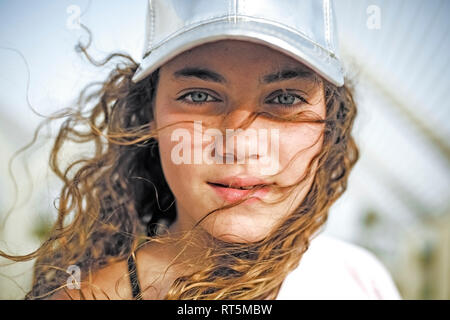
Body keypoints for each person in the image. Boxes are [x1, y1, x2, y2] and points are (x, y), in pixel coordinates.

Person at [1, 0, 401, 300]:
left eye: (284, 98)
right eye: (198, 95)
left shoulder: (360, 280)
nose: (240, 144)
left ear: (331, 124)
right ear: (148, 117)